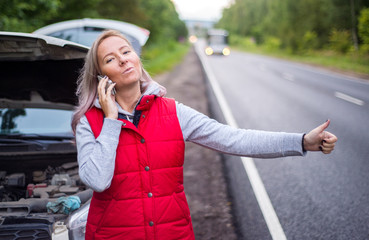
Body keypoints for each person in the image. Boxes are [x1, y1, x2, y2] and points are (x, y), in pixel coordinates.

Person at [72, 30, 337, 240]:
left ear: (137, 58)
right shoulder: (89, 123)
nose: (122, 59)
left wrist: (301, 141)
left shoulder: (173, 112)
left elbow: (236, 139)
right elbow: (98, 180)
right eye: (110, 59)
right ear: (101, 77)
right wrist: (110, 121)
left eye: (126, 51)